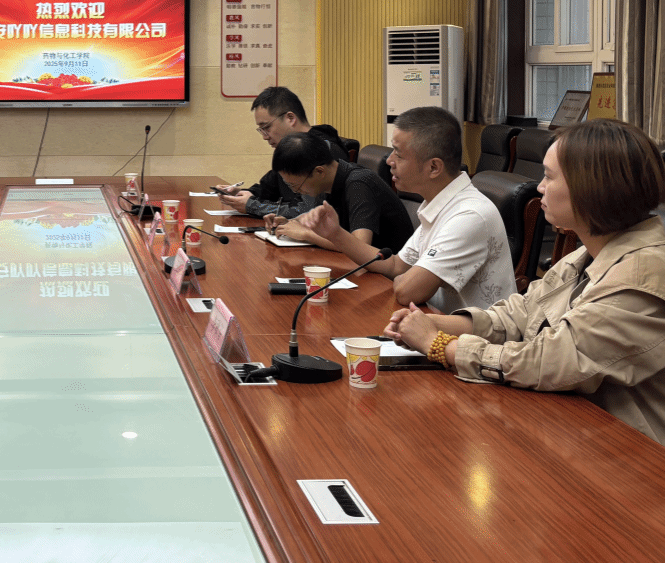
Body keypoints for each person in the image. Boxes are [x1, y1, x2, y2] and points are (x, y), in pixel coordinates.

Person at [389, 119, 665, 444]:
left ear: (591, 188)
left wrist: (439, 345)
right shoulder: (589, 252)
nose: (540, 187)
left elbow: (549, 362)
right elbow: (519, 314)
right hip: (574, 428)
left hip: (633, 453)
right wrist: (435, 324)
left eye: (549, 177)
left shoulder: (643, 273)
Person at [301, 107, 515, 311]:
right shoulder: (440, 203)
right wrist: (335, 234)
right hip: (432, 322)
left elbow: (406, 291)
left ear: (434, 167)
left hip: (470, 335)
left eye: (399, 154)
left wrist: (405, 280)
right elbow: (395, 266)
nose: (389, 161)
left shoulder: (469, 216)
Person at [265, 131, 414, 254]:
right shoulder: (327, 183)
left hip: (387, 274)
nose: (296, 191)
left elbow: (361, 246)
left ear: (319, 172)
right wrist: (290, 223)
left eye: (295, 185)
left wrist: (307, 235)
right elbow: (318, 220)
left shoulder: (359, 184)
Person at [217, 86, 347, 218]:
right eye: (261, 130)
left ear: (290, 118)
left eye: (266, 127)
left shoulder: (321, 150)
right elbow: (269, 189)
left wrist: (252, 205)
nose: (265, 137)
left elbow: (308, 211)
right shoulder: (289, 151)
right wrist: (243, 195)